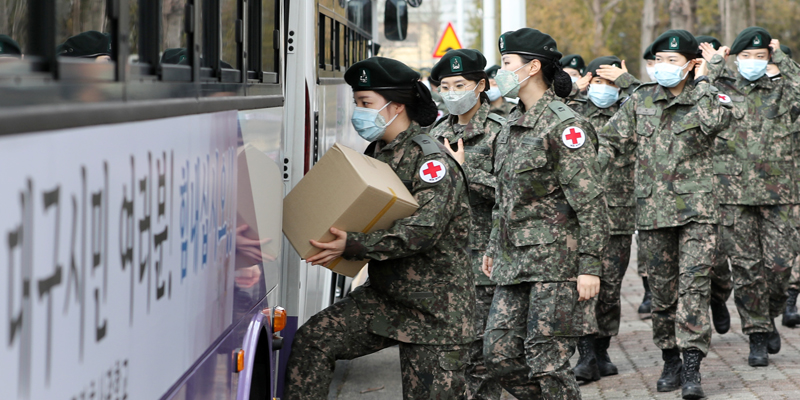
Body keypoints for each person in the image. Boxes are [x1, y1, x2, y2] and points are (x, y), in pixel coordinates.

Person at [283, 56, 476, 400]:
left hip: (435, 312)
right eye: (357, 103)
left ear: (396, 105)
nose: (359, 112)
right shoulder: (378, 153)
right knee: (314, 340)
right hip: (387, 298)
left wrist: (354, 245)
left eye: (365, 103)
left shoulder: (431, 162)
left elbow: (422, 231)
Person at [598, 30, 732, 399]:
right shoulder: (641, 100)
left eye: (672, 61)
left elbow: (717, 121)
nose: (663, 67)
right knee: (662, 293)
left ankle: (691, 367)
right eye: (659, 61)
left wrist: (705, 79)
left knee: (693, 287)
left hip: (697, 213)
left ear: (690, 64)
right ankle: (669, 357)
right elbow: (609, 143)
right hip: (653, 212)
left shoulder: (708, 95)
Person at [482, 27, 608, 399]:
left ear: (532, 66)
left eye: (507, 63)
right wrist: (492, 246)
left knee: (547, 361)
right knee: (499, 355)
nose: (499, 72)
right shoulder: (510, 125)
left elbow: (590, 202)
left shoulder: (565, 125)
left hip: (556, 264)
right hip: (513, 261)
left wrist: (590, 266)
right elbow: (504, 197)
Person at [700, 28, 799, 367]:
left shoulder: (783, 91)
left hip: (779, 194)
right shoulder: (721, 91)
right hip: (733, 195)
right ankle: (757, 334)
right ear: (736, 58)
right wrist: (713, 66)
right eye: (747, 56)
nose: (754, 62)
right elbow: (697, 109)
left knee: (780, 266)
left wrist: (783, 58)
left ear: (770, 60)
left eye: (761, 57)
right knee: (746, 269)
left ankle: (769, 315)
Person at [429, 49, 504, 400]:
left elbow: (511, 192)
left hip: (484, 256)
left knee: (482, 352)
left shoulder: (502, 130)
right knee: (449, 349)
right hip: (445, 258)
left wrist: (463, 170)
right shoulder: (435, 133)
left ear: (481, 85)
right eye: (445, 86)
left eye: (460, 84)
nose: (452, 92)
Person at [568, 55, 640, 383]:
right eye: (599, 81)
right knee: (583, 286)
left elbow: (654, 101)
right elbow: (538, 109)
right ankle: (585, 355)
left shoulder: (630, 110)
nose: (604, 89)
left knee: (610, 289)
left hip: (618, 214)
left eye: (610, 83)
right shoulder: (574, 110)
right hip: (578, 216)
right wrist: (572, 89)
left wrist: (627, 80)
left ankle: (602, 350)